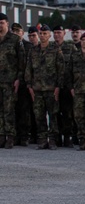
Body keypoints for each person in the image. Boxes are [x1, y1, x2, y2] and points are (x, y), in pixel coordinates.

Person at [25, 25, 64, 150]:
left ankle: (52, 140)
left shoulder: (56, 50)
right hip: (37, 89)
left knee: (53, 115)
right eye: (41, 33)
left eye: (45, 33)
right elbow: (28, 69)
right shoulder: (33, 51)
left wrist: (58, 87)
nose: (42, 36)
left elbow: (61, 70)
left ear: (49, 35)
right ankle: (42, 139)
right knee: (39, 115)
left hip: (51, 89)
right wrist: (29, 86)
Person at [0, 14, 25, 149]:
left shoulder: (15, 40)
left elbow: (21, 61)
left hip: (10, 81)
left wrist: (18, 79)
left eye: (2, 23)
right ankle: (1, 135)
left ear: (7, 24)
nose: (0, 25)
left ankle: (10, 136)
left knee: (9, 109)